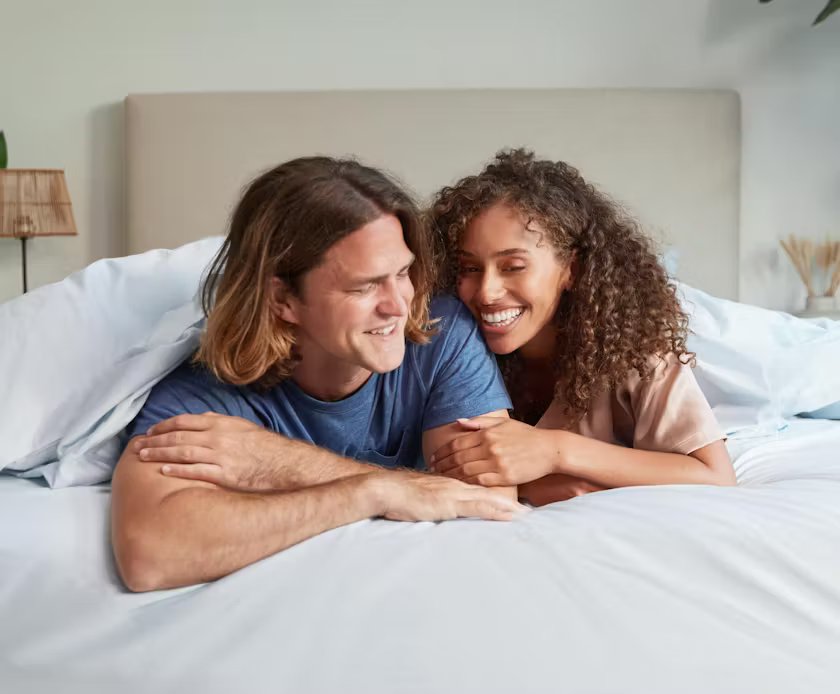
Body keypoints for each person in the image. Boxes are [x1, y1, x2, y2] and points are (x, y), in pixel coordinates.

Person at [111, 156, 526, 593]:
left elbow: (492, 503)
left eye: (402, 273)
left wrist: (275, 464)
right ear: (283, 299)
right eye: (364, 286)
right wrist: (373, 493)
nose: (397, 305)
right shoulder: (204, 396)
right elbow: (149, 556)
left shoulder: (443, 335)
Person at [428, 149, 736, 506]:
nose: (486, 292)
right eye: (469, 268)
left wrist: (556, 451)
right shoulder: (451, 348)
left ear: (570, 269)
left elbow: (715, 476)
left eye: (512, 266)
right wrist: (531, 487)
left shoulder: (635, 353)